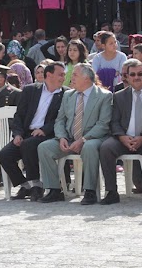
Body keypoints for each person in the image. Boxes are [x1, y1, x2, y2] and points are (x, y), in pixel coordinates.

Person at [37, 63, 112, 204]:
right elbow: (60, 120)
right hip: (69, 138)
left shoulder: (104, 96)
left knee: (89, 147)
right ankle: (54, 190)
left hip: (92, 138)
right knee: (44, 147)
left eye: (75, 75)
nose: (71, 78)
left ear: (87, 78)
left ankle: (90, 191)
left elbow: (103, 125)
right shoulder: (68, 95)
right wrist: (61, 137)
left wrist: (83, 140)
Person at [99, 59, 142, 205]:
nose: (136, 77)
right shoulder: (119, 96)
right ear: (127, 77)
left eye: (140, 74)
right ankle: (111, 192)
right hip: (123, 139)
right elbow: (114, 121)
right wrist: (122, 137)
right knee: (106, 147)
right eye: (132, 74)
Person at [0, 62, 67, 201]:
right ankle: (26, 185)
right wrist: (17, 134)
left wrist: (44, 129)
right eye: (60, 74)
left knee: (28, 145)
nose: (63, 78)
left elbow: (63, 119)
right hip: (26, 133)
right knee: (4, 154)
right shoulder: (30, 90)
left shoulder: (66, 94)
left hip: (48, 135)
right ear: (49, 75)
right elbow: (19, 115)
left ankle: (37, 185)